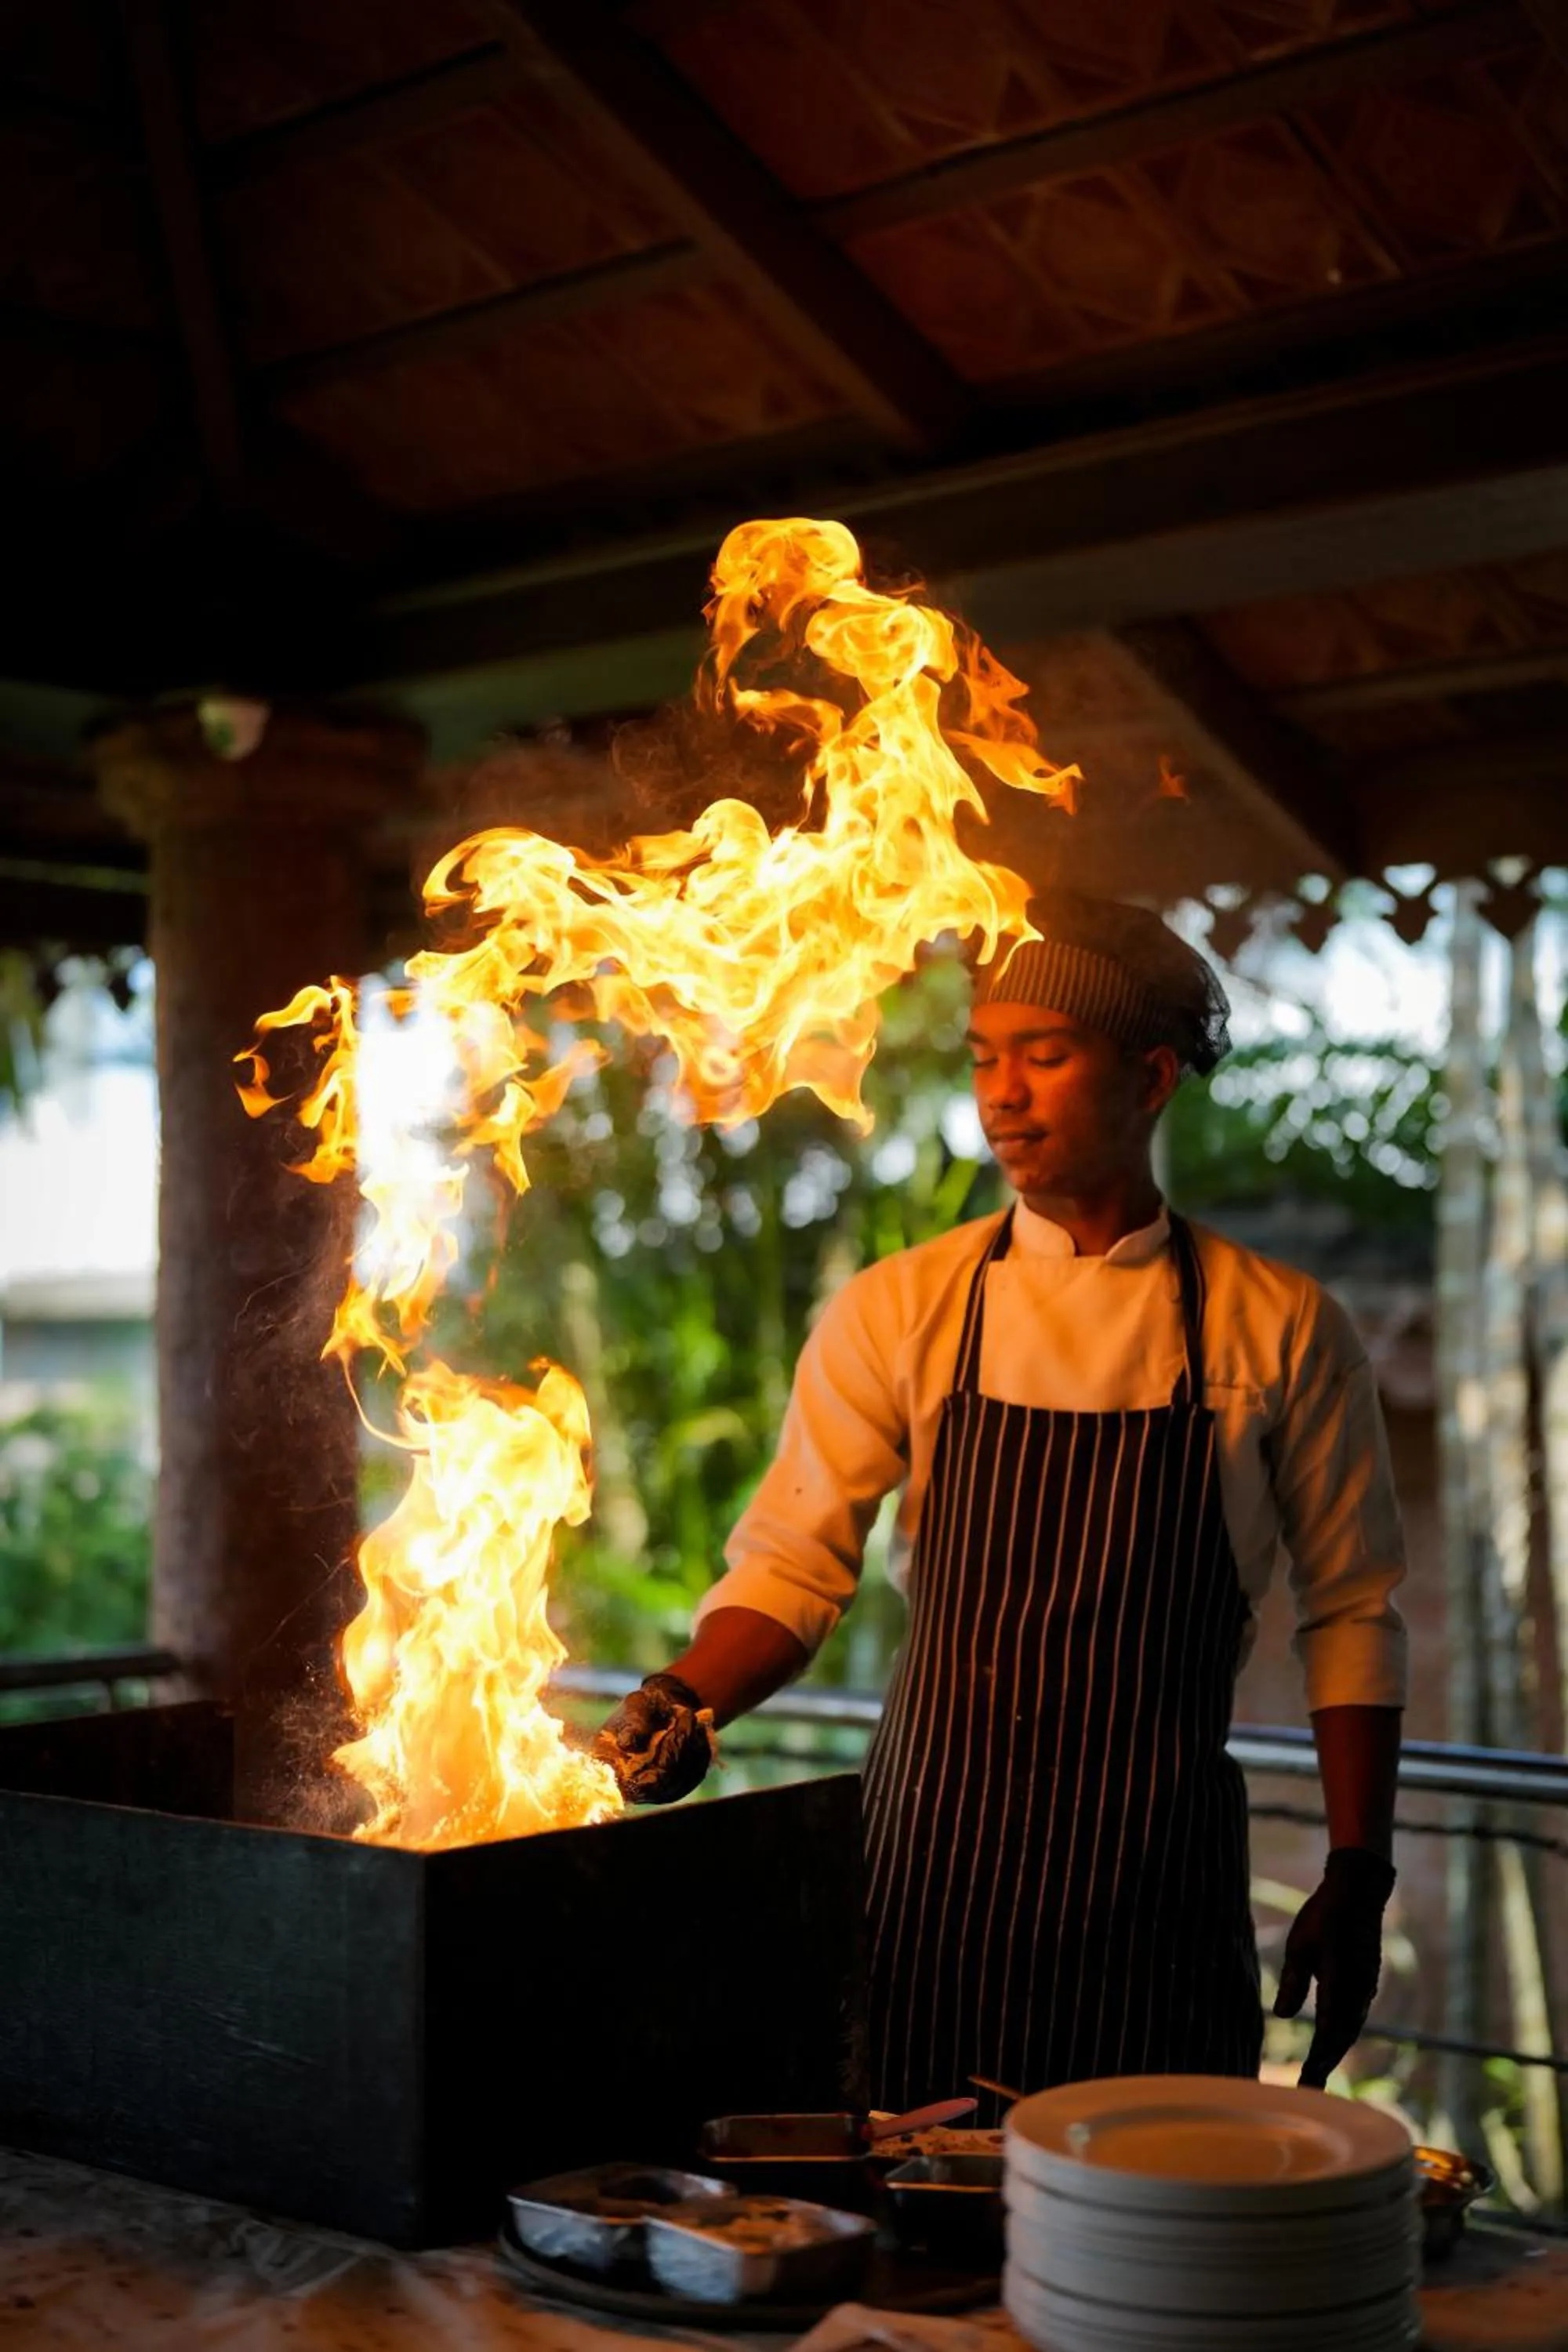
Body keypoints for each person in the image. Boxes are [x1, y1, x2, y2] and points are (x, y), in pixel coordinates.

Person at [596, 891, 1406, 2107]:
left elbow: (1352, 1612)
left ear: (1150, 1077)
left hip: (1158, 1896)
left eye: (1045, 1055)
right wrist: (682, 1699)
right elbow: (791, 1568)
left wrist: (1361, 1865)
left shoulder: (1278, 1326)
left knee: (1149, 2240)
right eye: (985, 1059)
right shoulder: (903, 1308)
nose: (1002, 1095)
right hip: (930, 1885)